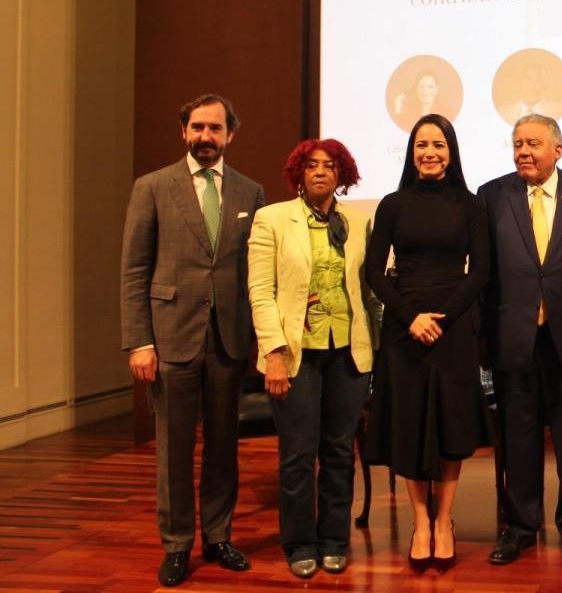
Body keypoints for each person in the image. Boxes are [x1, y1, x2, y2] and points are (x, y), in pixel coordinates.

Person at [119, 94, 264, 587]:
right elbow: (134, 270)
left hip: (228, 341)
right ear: (184, 131)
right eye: (198, 127)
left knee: (224, 445)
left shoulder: (251, 192)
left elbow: (254, 272)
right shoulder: (152, 187)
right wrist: (139, 341)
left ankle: (219, 535)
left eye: (216, 129)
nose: (206, 136)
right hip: (170, 338)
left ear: (230, 135)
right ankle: (177, 544)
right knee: (174, 450)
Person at [478, 114, 562, 565]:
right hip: (513, 337)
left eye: (533, 143)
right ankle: (520, 527)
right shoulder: (492, 195)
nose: (523, 152)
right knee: (518, 441)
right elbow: (483, 272)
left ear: (558, 149)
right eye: (517, 143)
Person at [364, 113, 491, 572]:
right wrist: (409, 317)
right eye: (421, 145)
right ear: (411, 152)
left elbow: (480, 271)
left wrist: (444, 317)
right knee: (410, 422)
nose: (430, 153)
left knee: (450, 426)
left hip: (452, 327)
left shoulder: (471, 204)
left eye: (438, 144)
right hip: (405, 328)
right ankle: (420, 521)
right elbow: (374, 271)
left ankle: (444, 520)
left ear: (451, 151)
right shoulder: (392, 204)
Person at [247, 139, 375, 578]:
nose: (321, 172)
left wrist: (374, 354)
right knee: (298, 454)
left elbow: (368, 292)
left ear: (343, 175)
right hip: (294, 356)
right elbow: (261, 293)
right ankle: (300, 542)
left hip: (348, 353)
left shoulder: (358, 223)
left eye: (330, 166)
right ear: (299, 172)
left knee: (339, 452)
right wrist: (274, 354)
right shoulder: (273, 219)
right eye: (312, 165)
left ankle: (335, 540)